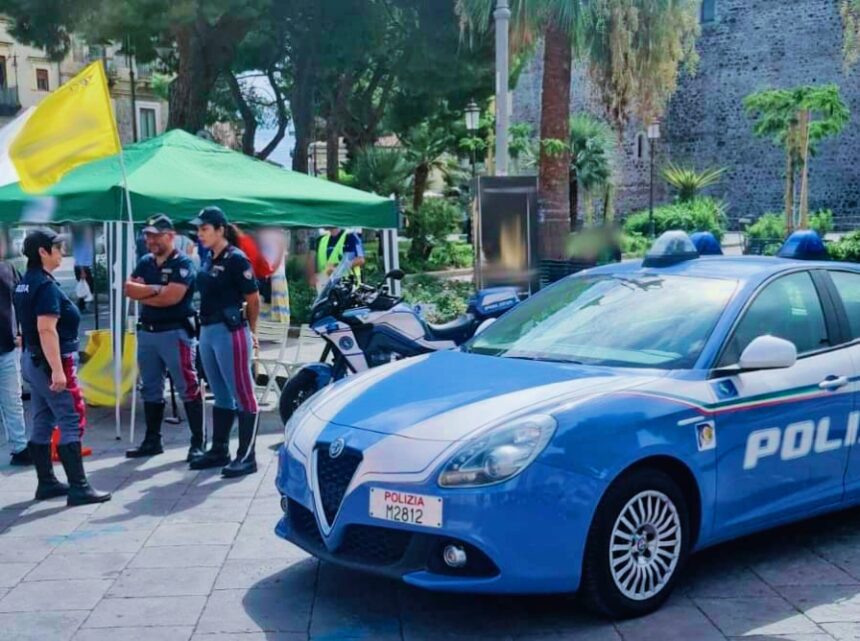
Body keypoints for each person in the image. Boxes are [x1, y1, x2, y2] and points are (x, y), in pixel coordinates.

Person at [14, 229, 110, 505]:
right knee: (70, 418)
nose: (63, 252)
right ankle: (79, 487)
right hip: (52, 362)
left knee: (43, 419)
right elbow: (46, 329)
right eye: (57, 248)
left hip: (33, 360)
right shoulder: (43, 285)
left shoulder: (26, 282)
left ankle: (46, 483)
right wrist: (57, 370)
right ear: (43, 252)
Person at [124, 214, 204, 462]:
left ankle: (198, 442)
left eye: (156, 235)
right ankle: (152, 439)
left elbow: (172, 298)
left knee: (187, 387)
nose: (150, 240)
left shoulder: (183, 263)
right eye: (147, 235)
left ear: (170, 236)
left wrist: (147, 292)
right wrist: (157, 289)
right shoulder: (146, 262)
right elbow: (128, 289)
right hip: (148, 332)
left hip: (175, 332)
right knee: (150, 388)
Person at [188, 207, 261, 477]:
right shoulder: (209, 257)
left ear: (220, 229)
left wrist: (251, 331)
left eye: (205, 229)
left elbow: (253, 299)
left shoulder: (236, 259)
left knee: (244, 394)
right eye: (199, 229)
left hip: (230, 332)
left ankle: (247, 455)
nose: (200, 234)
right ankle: (220, 449)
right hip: (208, 330)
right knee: (219, 392)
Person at [0, 238, 29, 466]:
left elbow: (21, 302)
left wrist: (22, 332)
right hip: (8, 346)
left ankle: (20, 447)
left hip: (8, 347)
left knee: (13, 399)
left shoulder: (8, 269)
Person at [309, 227, 365, 293]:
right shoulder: (321, 240)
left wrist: (337, 268)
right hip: (326, 288)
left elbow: (360, 260)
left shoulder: (350, 237)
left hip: (348, 288)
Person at [259, 227, 289, 323]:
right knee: (265, 302)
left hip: (276, 274)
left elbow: (280, 254)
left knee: (277, 304)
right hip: (266, 273)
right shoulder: (263, 233)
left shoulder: (279, 235)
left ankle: (279, 327)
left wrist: (271, 269)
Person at [71, 225, 95, 312]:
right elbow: (79, 258)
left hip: (84, 267)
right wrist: (82, 271)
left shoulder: (85, 242)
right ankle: (81, 306)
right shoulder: (81, 243)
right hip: (81, 267)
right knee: (87, 286)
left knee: (88, 286)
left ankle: (82, 305)